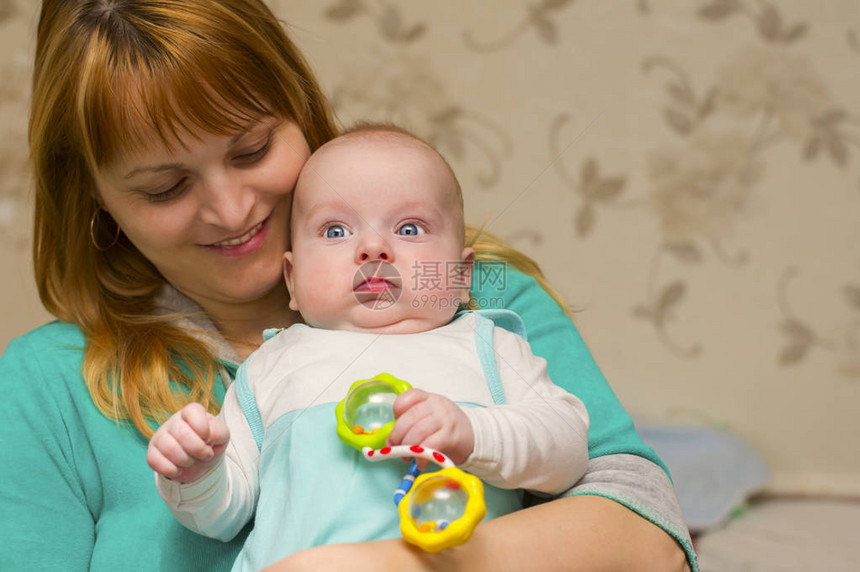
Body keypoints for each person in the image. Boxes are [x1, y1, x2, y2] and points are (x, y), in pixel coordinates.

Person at [0, 1, 696, 571]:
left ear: (301, 112)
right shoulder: (47, 386)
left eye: (252, 149)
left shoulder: (476, 295)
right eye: (167, 186)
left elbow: (649, 535)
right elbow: (218, 502)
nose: (233, 209)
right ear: (95, 199)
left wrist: (384, 564)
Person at [147, 126, 592, 571]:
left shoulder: (489, 345)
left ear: (459, 276)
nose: (373, 248)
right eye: (336, 230)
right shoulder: (269, 367)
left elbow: (568, 450)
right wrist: (194, 474)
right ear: (292, 280)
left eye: (410, 227)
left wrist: (475, 434)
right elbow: (222, 516)